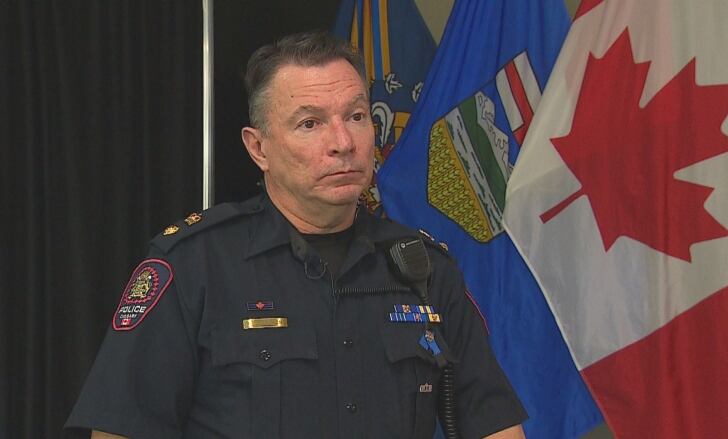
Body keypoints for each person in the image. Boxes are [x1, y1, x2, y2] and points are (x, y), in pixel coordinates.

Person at [65, 30, 528, 439]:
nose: (342, 142)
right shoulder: (193, 266)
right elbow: (123, 429)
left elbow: (494, 425)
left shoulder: (424, 269)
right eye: (310, 123)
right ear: (258, 147)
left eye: (356, 116)